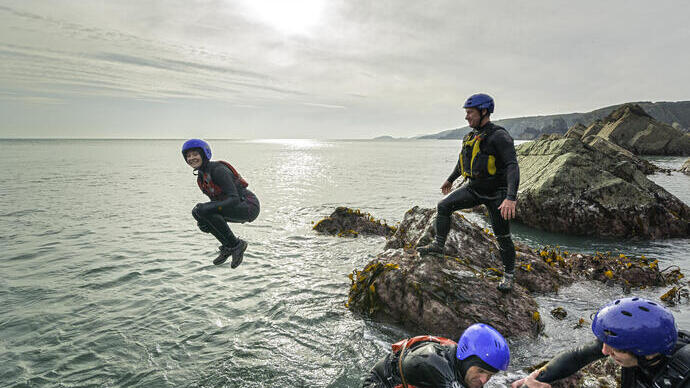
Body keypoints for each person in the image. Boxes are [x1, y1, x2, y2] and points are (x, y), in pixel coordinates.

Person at [417, 93, 520, 292]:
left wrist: (510, 198)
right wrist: (450, 179)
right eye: (466, 113)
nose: (466, 117)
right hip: (474, 188)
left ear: (484, 112)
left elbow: (512, 166)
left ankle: (508, 275)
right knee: (444, 206)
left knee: (502, 236)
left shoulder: (499, 136)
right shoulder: (471, 136)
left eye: (470, 113)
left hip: (497, 193)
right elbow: (462, 160)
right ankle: (439, 246)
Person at [511, 297, 690, 388]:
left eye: (614, 348)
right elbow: (578, 356)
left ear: (647, 353)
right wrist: (536, 377)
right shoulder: (645, 348)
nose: (604, 351)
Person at [182, 139, 260, 267]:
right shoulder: (201, 177)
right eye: (188, 156)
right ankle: (229, 246)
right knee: (198, 212)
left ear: (204, 154)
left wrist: (205, 212)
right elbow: (216, 206)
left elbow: (234, 198)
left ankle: (236, 245)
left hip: (248, 205)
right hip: (235, 206)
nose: (191, 158)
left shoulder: (218, 170)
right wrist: (203, 222)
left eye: (195, 154)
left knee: (201, 210)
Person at [362, 323, 510, 388]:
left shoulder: (464, 371)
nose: (484, 380)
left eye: (490, 375)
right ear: (465, 358)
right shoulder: (432, 361)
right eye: (481, 371)